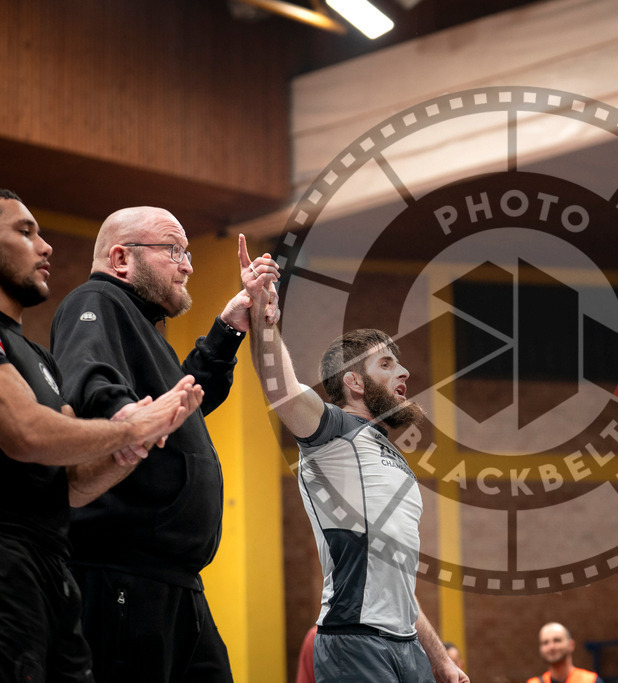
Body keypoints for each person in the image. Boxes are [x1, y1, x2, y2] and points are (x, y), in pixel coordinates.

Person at [49, 207, 279, 682]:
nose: (188, 265)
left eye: (188, 253)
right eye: (174, 251)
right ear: (121, 258)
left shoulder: (141, 327)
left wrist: (229, 326)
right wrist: (126, 417)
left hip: (174, 583)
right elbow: (89, 379)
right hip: (122, 578)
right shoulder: (94, 300)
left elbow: (184, 401)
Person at [241, 236, 466, 683]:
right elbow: (281, 391)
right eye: (386, 365)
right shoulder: (334, 435)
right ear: (355, 383)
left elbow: (398, 587)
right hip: (353, 642)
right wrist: (263, 319)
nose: (403, 374)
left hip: (406, 647)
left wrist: (440, 659)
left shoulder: (395, 459)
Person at [0, 190, 201, 682]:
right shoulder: (88, 304)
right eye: (24, 232)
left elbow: (68, 482)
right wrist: (134, 426)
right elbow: (24, 433)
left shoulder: (39, 361)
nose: (45, 246)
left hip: (53, 565)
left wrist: (127, 451)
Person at [527, 622, 602, 683]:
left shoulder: (591, 681)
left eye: (557, 640)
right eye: (545, 643)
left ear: (571, 645)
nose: (551, 647)